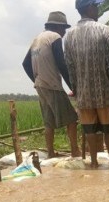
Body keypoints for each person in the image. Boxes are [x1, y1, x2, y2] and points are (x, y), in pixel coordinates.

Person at [64, 0, 109, 168]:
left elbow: (70, 66)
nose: (98, 9)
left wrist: (76, 88)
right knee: (108, 128)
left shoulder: (69, 36)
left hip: (84, 92)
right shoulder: (104, 30)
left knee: (89, 130)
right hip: (103, 90)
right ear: (89, 8)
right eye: (96, 6)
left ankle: (94, 162)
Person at [22, 11, 81, 158]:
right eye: (63, 29)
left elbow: (25, 64)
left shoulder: (37, 39)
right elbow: (62, 64)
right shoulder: (54, 37)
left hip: (41, 86)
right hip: (52, 85)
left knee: (49, 122)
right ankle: (75, 150)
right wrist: (74, 87)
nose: (64, 33)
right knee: (72, 119)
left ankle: (50, 152)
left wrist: (36, 80)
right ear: (57, 27)